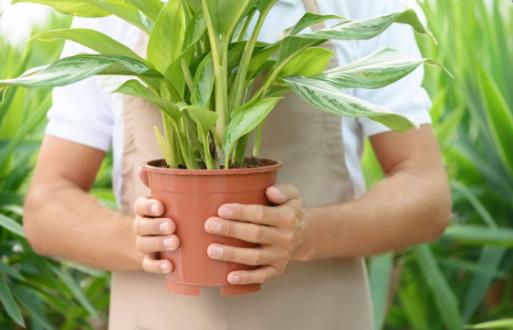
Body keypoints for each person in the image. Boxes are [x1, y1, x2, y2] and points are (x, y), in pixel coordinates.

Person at [23, 0, 451, 329]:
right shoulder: (113, 13)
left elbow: (426, 193)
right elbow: (46, 205)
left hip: (318, 313)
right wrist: (139, 241)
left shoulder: (357, 8)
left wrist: (304, 234)